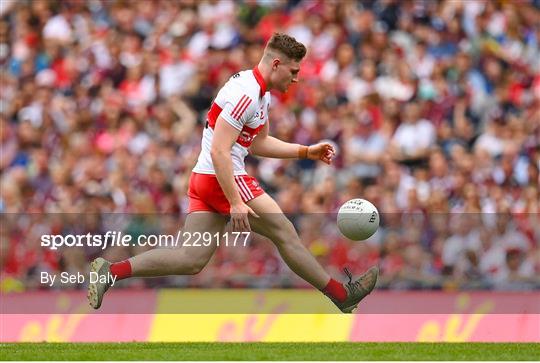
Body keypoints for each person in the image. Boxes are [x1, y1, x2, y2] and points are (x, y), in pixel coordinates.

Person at [88, 33, 378, 313]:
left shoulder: (258, 93)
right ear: (276, 64)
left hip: (205, 177)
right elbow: (219, 151)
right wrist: (236, 202)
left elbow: (259, 142)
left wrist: (305, 151)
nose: (296, 77)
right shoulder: (247, 94)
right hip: (221, 176)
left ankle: (110, 272)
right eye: (293, 70)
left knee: (190, 259)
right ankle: (342, 296)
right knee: (285, 231)